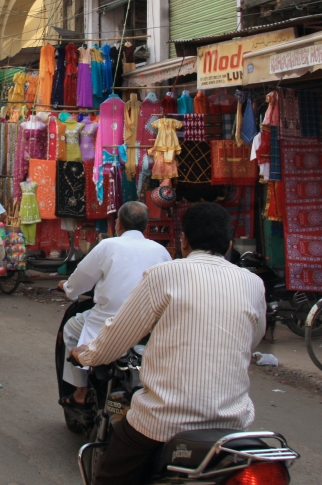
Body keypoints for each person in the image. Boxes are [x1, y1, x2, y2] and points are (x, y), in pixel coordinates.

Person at [70, 203, 266, 485]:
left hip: (163, 420)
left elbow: (117, 336)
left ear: (183, 241)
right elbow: (253, 338)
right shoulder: (252, 284)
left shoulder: (163, 275)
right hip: (231, 424)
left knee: (110, 476)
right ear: (229, 245)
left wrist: (86, 354)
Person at [58, 201, 170, 407]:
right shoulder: (160, 251)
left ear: (119, 224)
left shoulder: (108, 246)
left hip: (107, 322)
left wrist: (67, 288)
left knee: (70, 330)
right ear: (145, 226)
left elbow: (80, 279)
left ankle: (80, 391)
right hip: (149, 325)